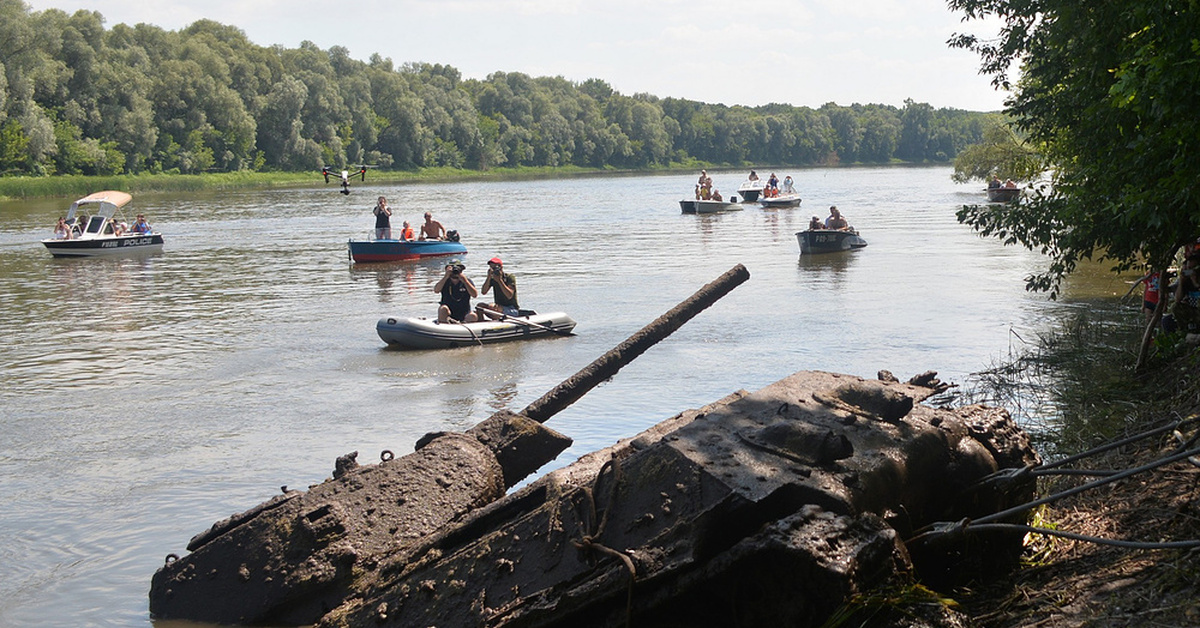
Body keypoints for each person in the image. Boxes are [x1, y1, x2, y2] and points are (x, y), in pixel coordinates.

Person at [435, 259, 478, 323]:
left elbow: (474, 295)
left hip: (464, 313)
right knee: (443, 308)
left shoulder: (467, 281)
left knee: (473, 316)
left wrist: (465, 281)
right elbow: (436, 290)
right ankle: (444, 326)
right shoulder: (445, 281)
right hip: (448, 313)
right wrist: (446, 276)